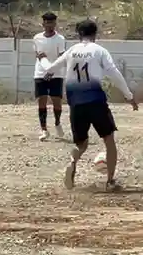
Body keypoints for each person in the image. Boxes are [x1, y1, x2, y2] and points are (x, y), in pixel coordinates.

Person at [41, 19, 137, 192]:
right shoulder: (99, 51)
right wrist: (128, 96)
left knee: (81, 144)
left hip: (75, 103)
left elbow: (51, 68)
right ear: (95, 34)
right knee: (109, 140)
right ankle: (110, 181)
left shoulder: (71, 51)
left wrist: (42, 60)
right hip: (95, 101)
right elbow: (113, 72)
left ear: (79, 34)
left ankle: (72, 161)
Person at [33, 12, 67, 140]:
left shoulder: (60, 39)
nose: (50, 25)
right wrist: (46, 70)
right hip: (40, 73)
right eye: (47, 23)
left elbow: (61, 57)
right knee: (41, 100)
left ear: (55, 23)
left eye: (52, 23)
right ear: (43, 24)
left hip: (56, 74)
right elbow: (39, 55)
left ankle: (57, 123)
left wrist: (51, 71)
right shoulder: (37, 38)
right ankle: (44, 129)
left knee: (56, 101)